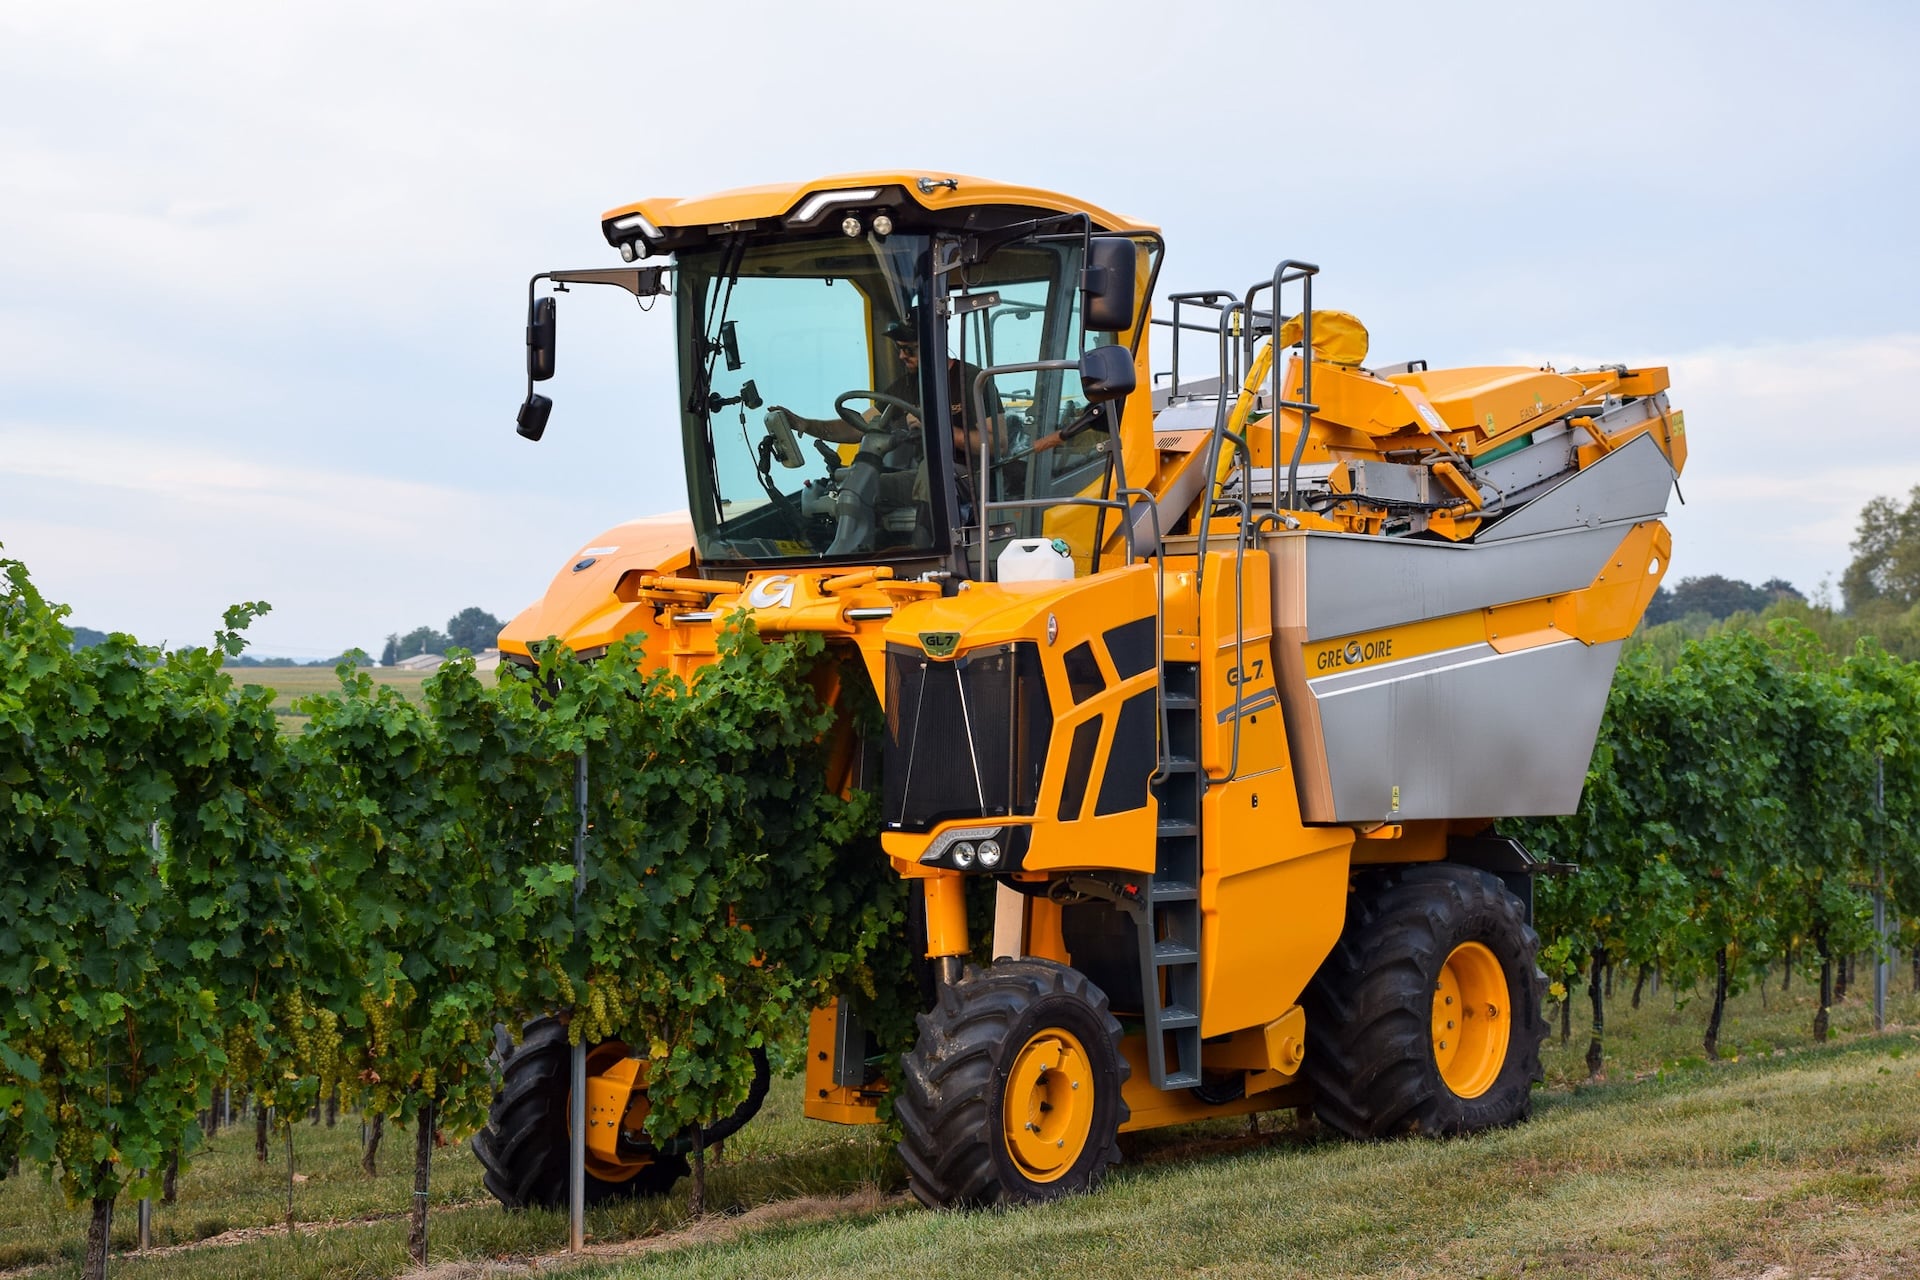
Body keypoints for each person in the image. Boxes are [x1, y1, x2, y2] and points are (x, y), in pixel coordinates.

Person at [763, 314, 1005, 549]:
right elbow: (857, 427)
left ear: (935, 345)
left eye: (910, 350)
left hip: (973, 476)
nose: (901, 356)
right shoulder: (907, 385)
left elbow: (997, 444)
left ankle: (926, 551)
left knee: (930, 470)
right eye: (899, 348)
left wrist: (936, 428)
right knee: (862, 486)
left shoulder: (972, 380)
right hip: (926, 476)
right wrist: (806, 424)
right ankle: (864, 555)